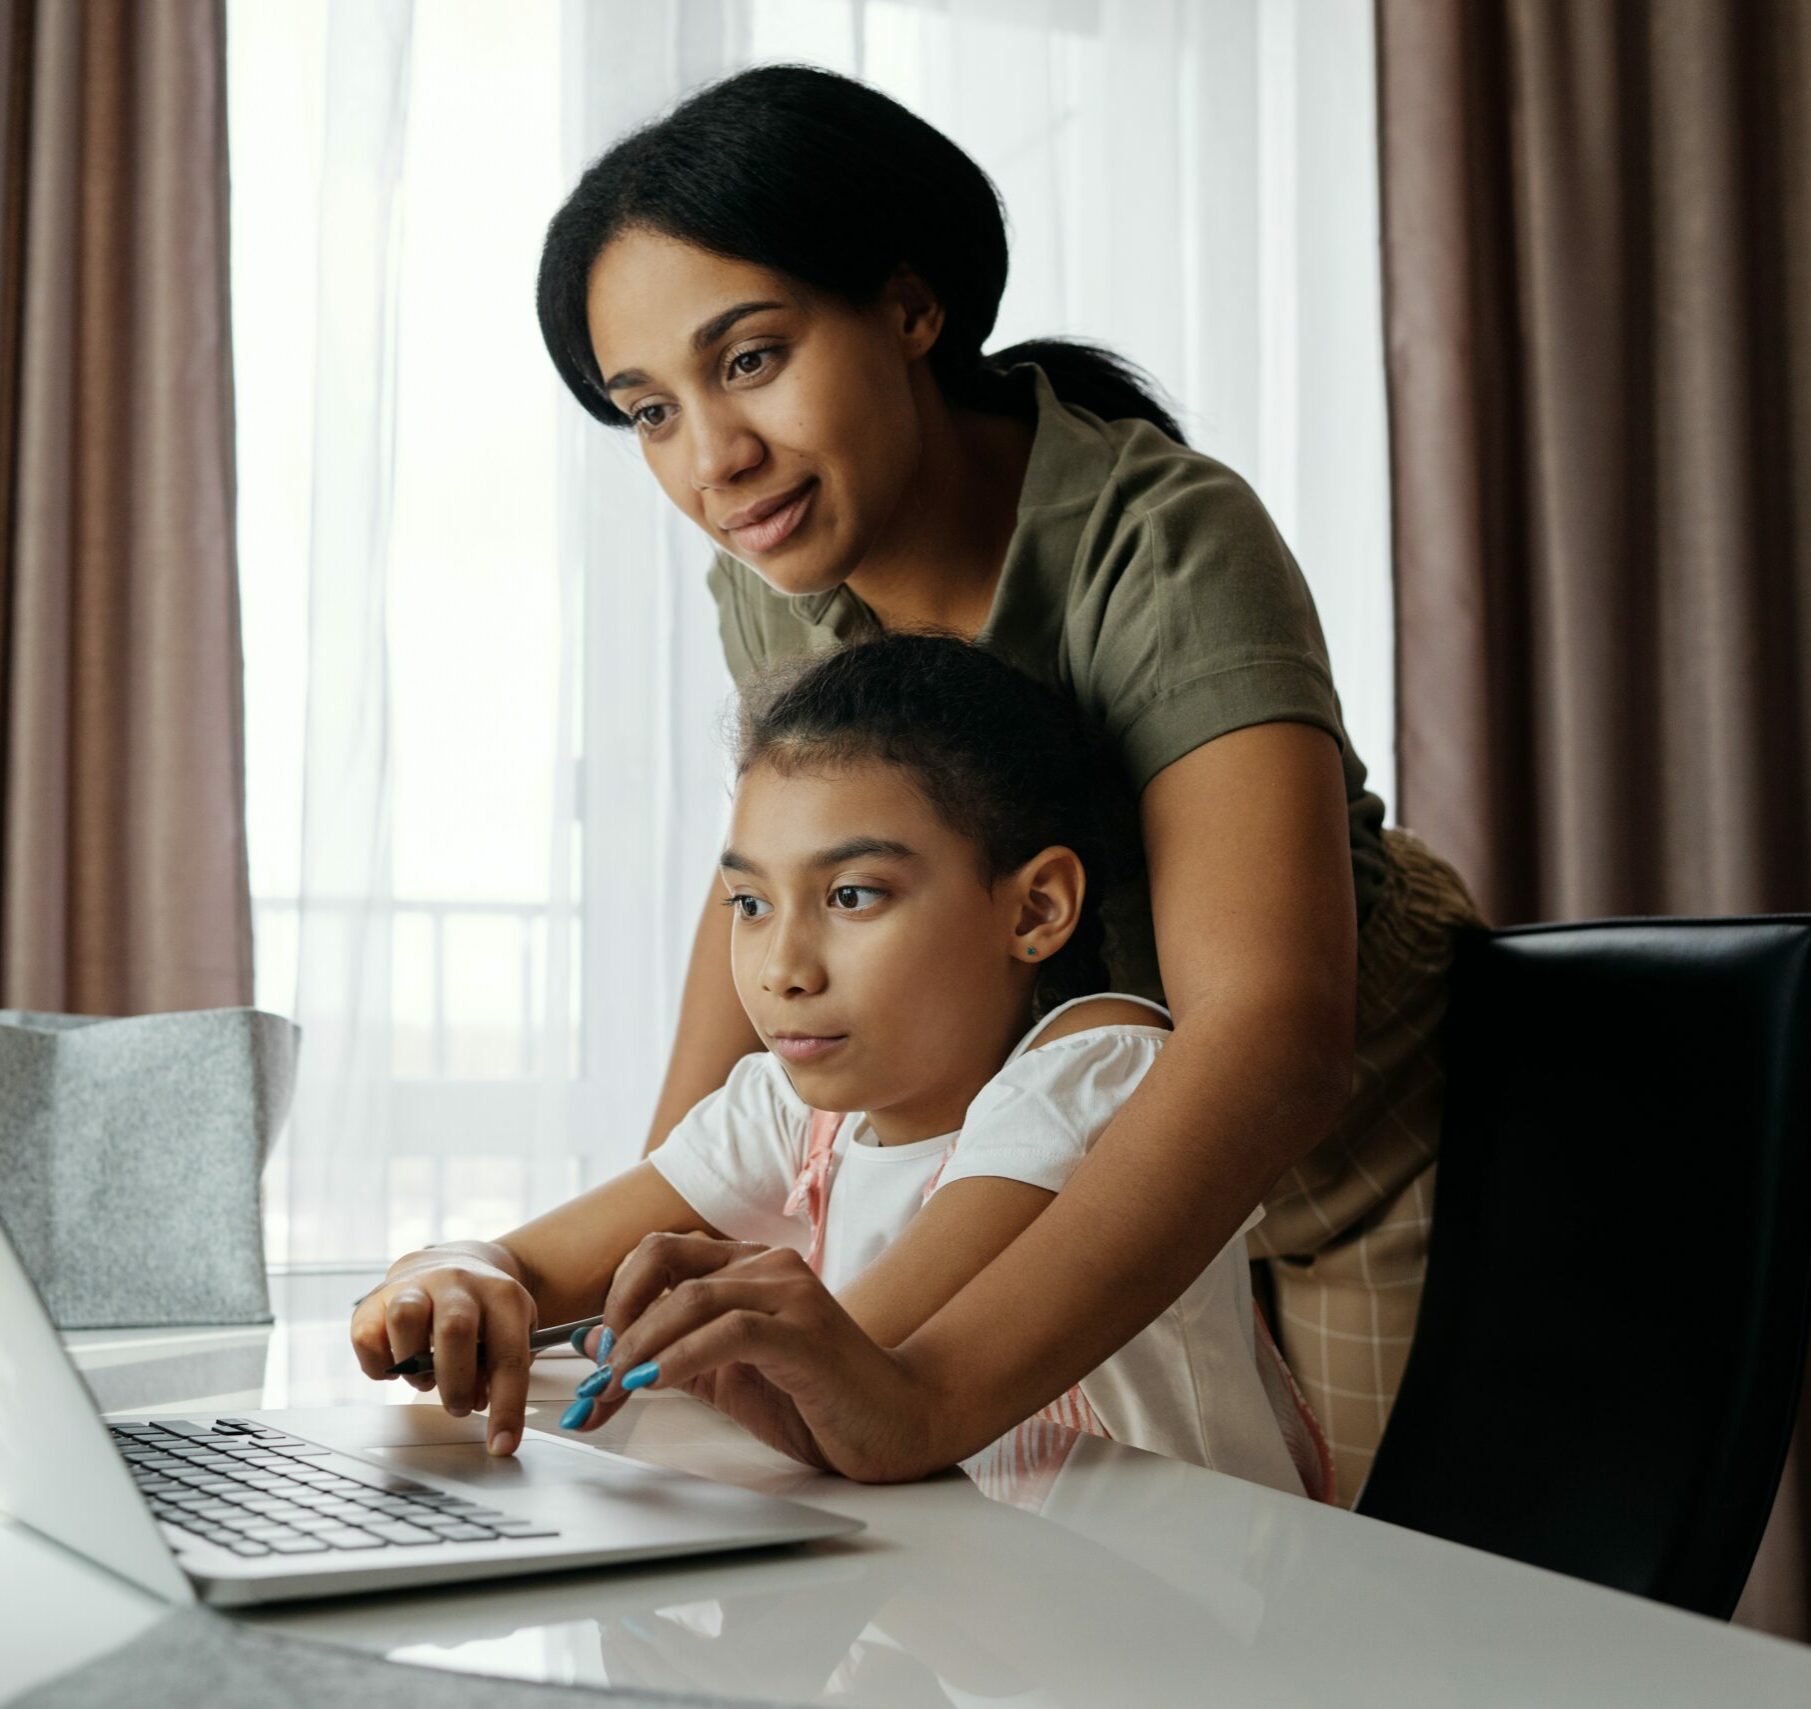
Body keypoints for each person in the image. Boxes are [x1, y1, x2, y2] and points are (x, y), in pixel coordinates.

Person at [522, 64, 1486, 1502]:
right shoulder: (773, 571)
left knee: (1369, 1615)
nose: (712, 460)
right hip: (1046, 1142)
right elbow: (770, 887)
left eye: (746, 361)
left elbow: (1270, 1032)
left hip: (1337, 1145)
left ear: (910, 307)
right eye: (647, 410)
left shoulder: (1160, 541)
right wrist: (647, 1253)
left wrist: (920, 1398)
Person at [351, 635, 1320, 1497]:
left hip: (1168, 1624)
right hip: (965, 1606)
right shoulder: (796, 1109)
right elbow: (530, 1262)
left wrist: (672, 1332)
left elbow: (850, 1370)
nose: (780, 969)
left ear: (1033, 910)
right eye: (749, 903)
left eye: (852, 894)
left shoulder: (1098, 1070)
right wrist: (453, 1276)